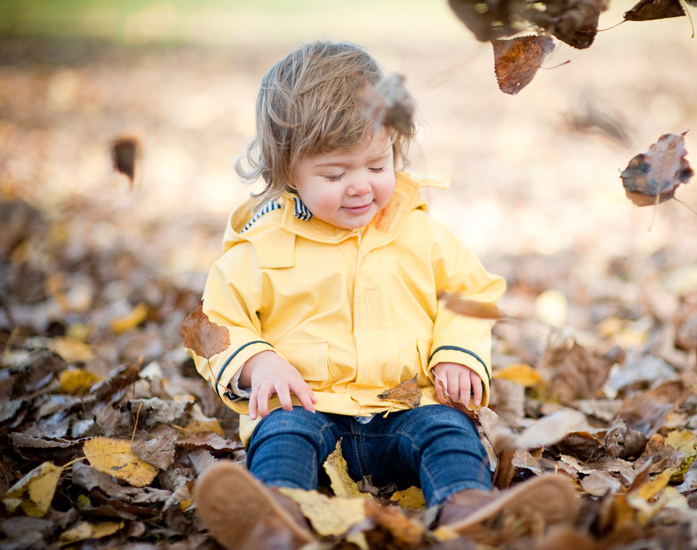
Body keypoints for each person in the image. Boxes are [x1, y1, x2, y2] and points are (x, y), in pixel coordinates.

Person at [188, 40, 578, 548]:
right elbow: (214, 325)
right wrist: (257, 363)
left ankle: (470, 506)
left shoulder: (420, 234)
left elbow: (469, 293)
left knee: (448, 432)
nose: (360, 187)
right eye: (334, 174)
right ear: (288, 172)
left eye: (377, 166)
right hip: (308, 406)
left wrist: (458, 353)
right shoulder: (259, 248)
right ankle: (270, 516)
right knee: (281, 434)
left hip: (406, 407)